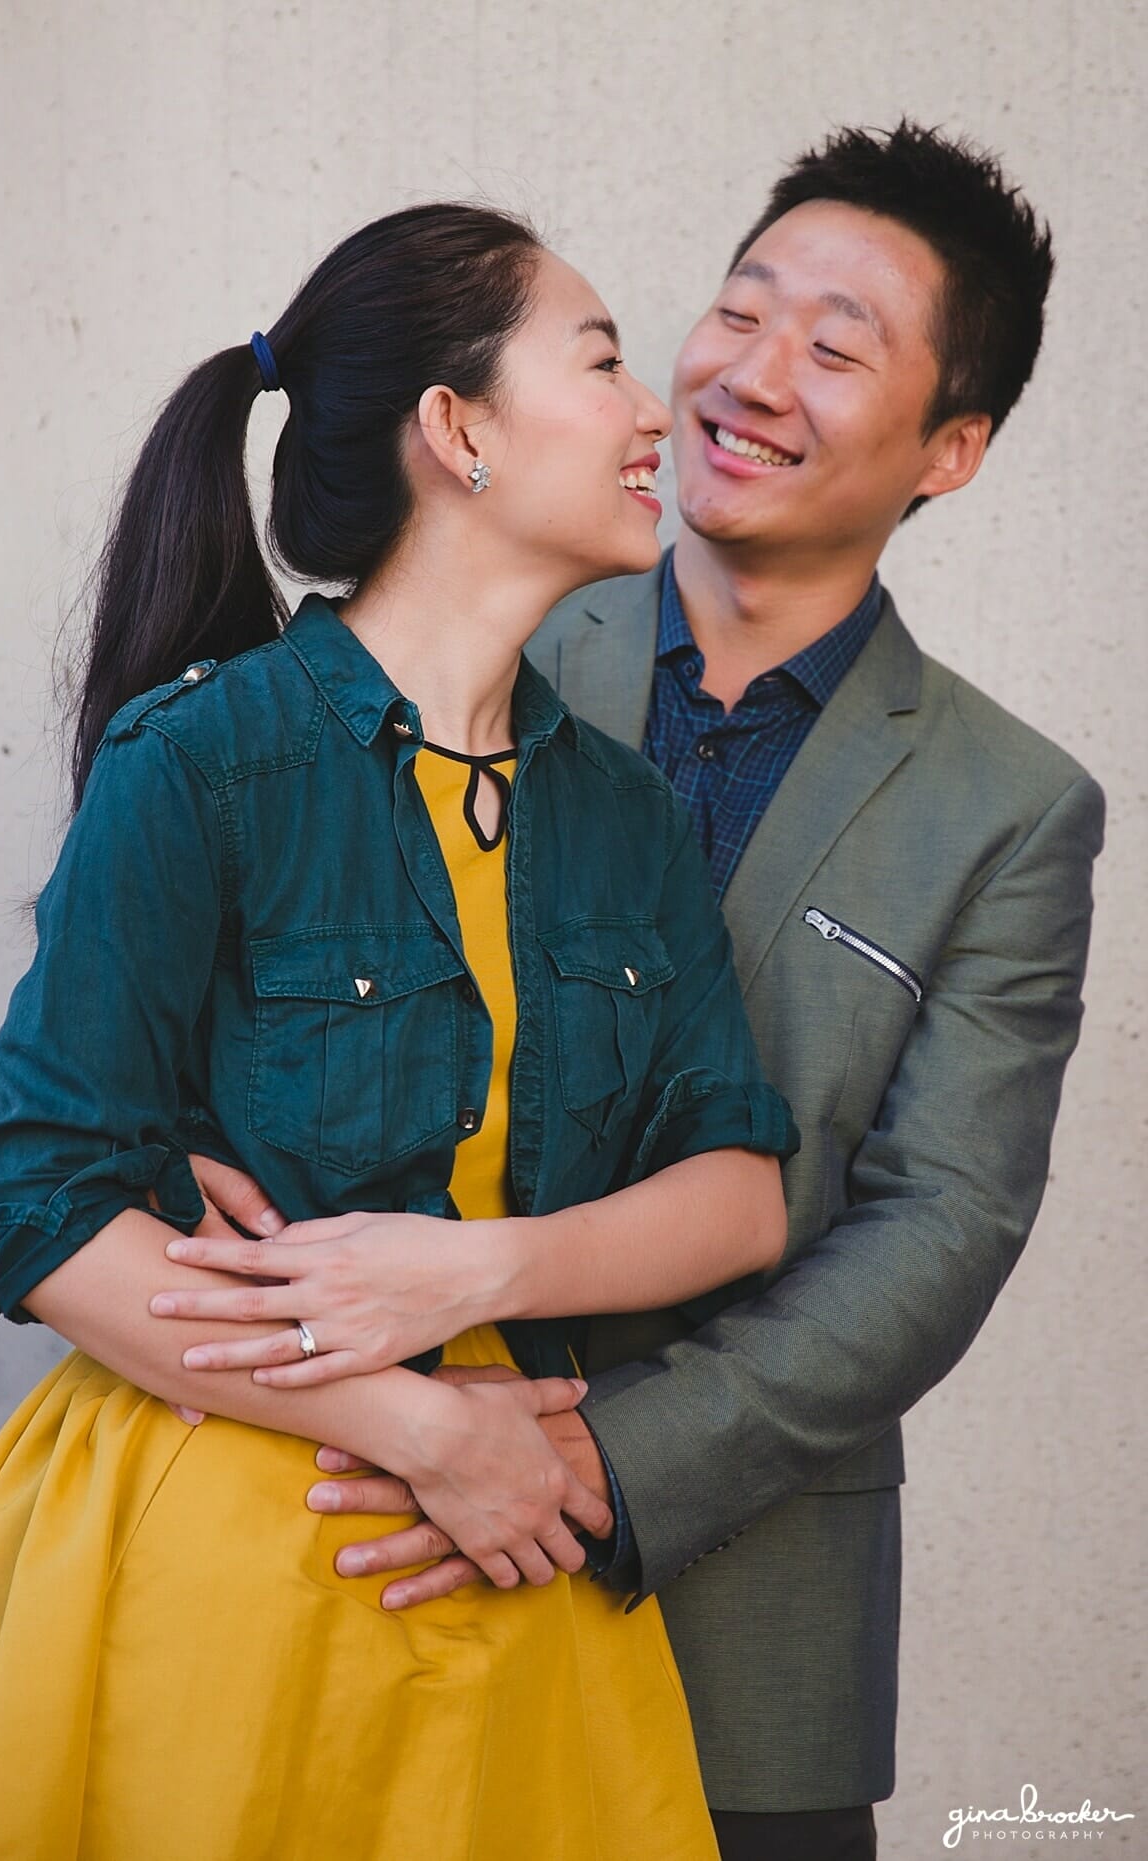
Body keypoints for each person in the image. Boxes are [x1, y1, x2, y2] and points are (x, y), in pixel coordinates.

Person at [216, 124, 1103, 1861]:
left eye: (837, 348)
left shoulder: (1009, 807)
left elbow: (941, 1227)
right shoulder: (471, 640)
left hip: (737, 1608)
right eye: (739, 311)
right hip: (362, 1531)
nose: (751, 376)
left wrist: (594, 1462)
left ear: (953, 446)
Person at [0, 202, 802, 1860]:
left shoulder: (622, 814)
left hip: (518, 1569)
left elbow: (741, 1192)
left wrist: (480, 1274)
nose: (653, 412)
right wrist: (419, 1422)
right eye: (602, 361)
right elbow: (30, 1204)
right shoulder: (204, 762)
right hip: (231, 1568)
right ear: (457, 430)